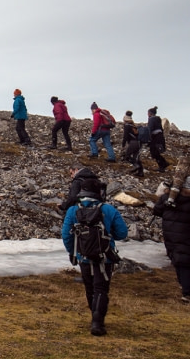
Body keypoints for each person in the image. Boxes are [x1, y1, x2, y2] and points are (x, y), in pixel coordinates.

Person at [62, 193, 129, 336]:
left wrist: (73, 252)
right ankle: (97, 322)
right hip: (105, 257)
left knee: (90, 288)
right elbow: (122, 233)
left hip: (83, 257)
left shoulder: (73, 210)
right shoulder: (108, 209)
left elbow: (66, 235)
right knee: (101, 289)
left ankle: (95, 317)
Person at [154, 178, 190, 302]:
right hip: (184, 235)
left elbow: (156, 211)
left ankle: (183, 284)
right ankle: (186, 292)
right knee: (186, 261)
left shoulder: (166, 197)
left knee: (176, 258)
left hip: (169, 234)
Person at [147, 107, 169, 172]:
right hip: (160, 137)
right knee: (157, 152)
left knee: (154, 152)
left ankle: (162, 165)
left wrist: (148, 139)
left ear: (149, 113)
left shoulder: (151, 119)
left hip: (155, 138)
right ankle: (163, 164)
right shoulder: (158, 119)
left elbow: (150, 129)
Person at [121, 111, 144, 177]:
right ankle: (141, 172)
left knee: (127, 156)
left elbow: (125, 136)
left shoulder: (127, 126)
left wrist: (123, 145)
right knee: (136, 158)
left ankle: (136, 166)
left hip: (133, 143)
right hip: (139, 143)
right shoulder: (133, 125)